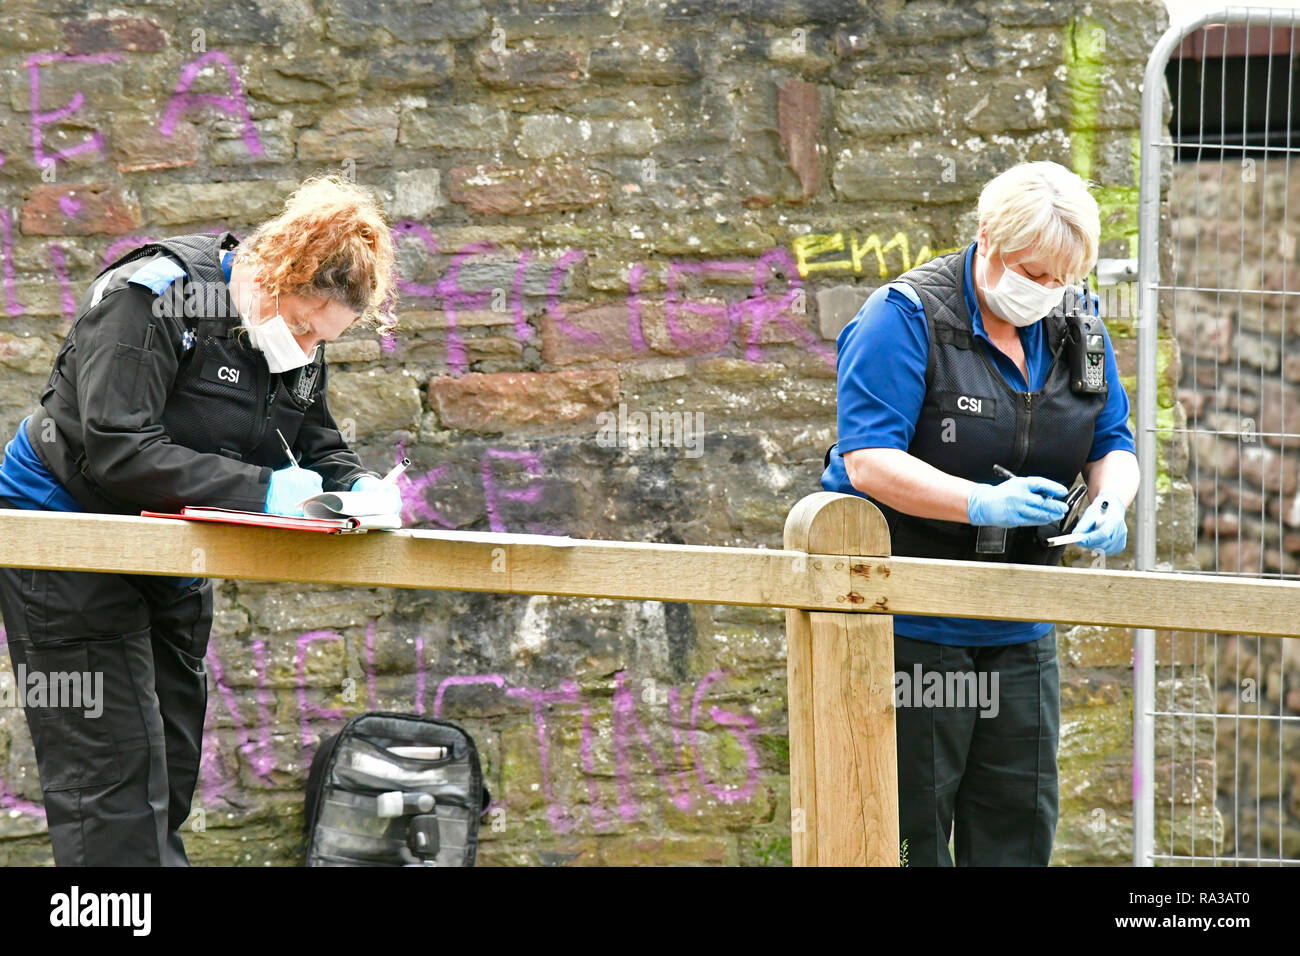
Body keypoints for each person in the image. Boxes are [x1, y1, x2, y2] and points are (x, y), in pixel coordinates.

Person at [0, 175, 401, 866]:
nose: (307, 346)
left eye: (323, 338)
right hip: (67, 530)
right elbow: (119, 447)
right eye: (305, 325)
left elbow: (316, 443)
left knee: (172, 759)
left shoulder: (293, 339)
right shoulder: (153, 294)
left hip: (173, 548)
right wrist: (271, 495)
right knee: (113, 775)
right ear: (279, 270)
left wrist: (360, 488)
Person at [820, 161, 1139, 866]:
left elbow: (1114, 441)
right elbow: (869, 459)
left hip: (1021, 622)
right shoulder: (903, 318)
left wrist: (1113, 498)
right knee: (912, 829)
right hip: (915, 624)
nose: (1049, 292)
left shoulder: (1076, 328)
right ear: (988, 238)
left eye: (1064, 279)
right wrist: (977, 502)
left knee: (1018, 830)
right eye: (1035, 272)